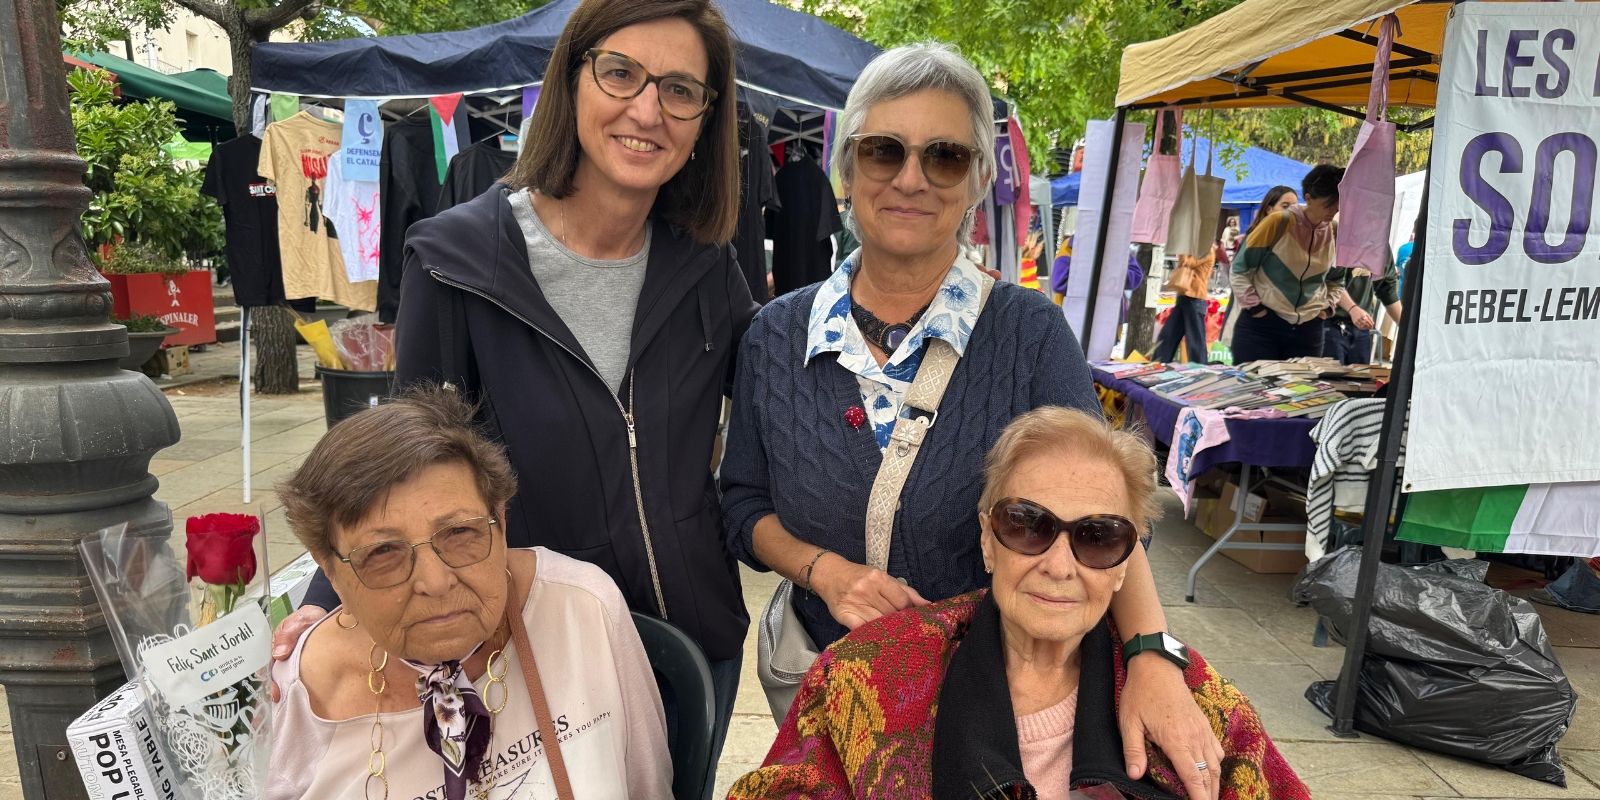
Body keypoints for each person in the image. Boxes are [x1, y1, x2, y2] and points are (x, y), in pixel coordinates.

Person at [271, 0, 757, 786]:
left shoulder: (706, 262)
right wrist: (329, 602)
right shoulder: (457, 260)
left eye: (679, 90)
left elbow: (777, 397)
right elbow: (403, 453)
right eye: (622, 74)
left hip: (695, 634)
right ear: (571, 82)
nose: (647, 109)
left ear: (706, 117)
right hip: (538, 648)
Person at [720, 43, 1225, 798]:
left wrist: (1152, 654)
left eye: (945, 158)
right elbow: (742, 504)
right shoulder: (774, 336)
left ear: (976, 182)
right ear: (847, 172)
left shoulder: (1027, 335)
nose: (911, 178)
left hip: (991, 697)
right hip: (826, 680)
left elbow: (1111, 516)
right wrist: (824, 573)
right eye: (884, 151)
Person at [727, 407, 1309, 800]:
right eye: (1028, 525)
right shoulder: (866, 674)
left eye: (1098, 536)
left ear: (1128, 561)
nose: (1058, 565)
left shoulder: (1198, 703)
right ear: (987, 538)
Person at [270, 387, 671, 799]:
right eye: (383, 551)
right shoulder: (301, 692)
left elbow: (649, 786)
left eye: (460, 532)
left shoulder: (582, 608)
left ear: (500, 519)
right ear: (328, 567)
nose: (436, 581)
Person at [1230, 166, 1347, 364]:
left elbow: (1337, 279)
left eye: (1337, 205)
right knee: (1255, 390)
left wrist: (1326, 308)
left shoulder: (1335, 232)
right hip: (1262, 328)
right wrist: (1255, 309)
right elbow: (1240, 269)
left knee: (1298, 392)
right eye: (1328, 204)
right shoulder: (1279, 222)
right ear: (1309, 198)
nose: (1333, 210)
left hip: (1309, 332)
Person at [1220, 186, 1297, 348]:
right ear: (1269, 209)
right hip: (1254, 319)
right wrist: (1257, 310)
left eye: (1295, 206)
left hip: (1284, 321)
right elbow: (1238, 275)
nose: (1291, 211)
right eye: (1285, 206)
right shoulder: (1255, 237)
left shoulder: (1294, 240)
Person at [1322, 256, 1401, 365]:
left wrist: (1407, 329)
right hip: (1330, 323)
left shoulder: (1382, 248)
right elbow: (1331, 281)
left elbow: (1387, 290)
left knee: (1360, 379)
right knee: (1328, 379)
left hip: (1362, 328)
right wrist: (1352, 308)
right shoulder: (1339, 242)